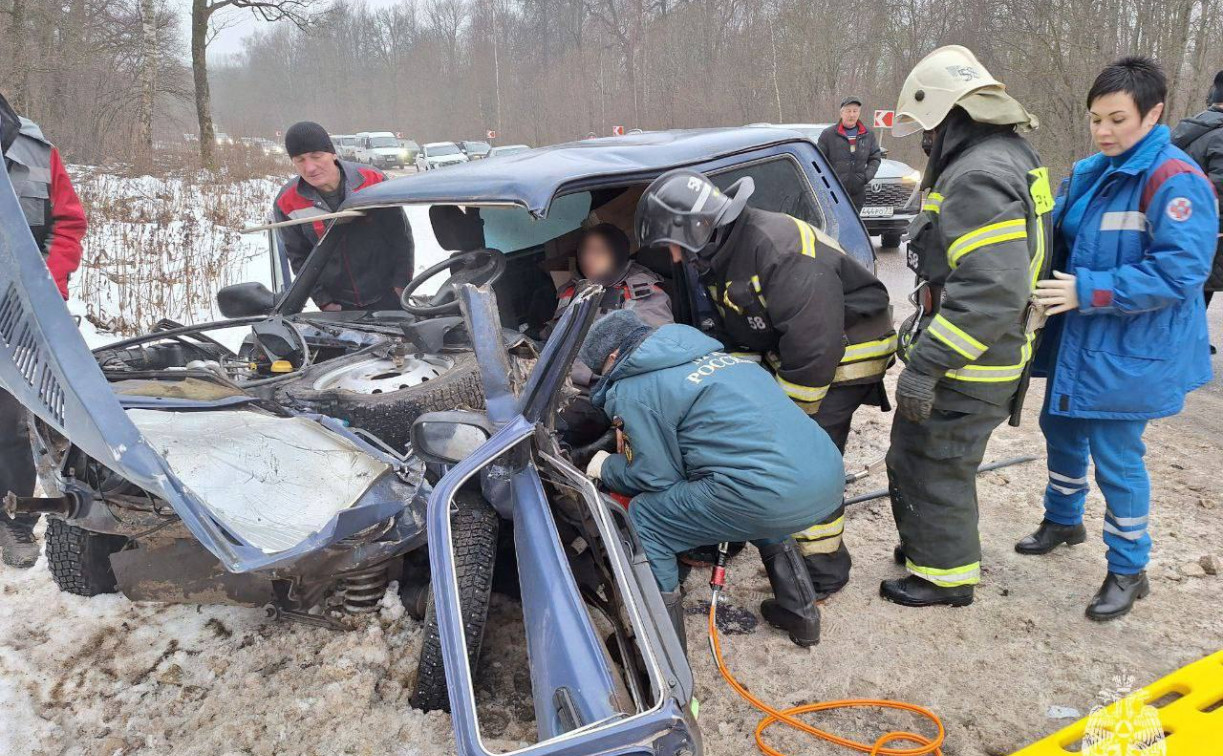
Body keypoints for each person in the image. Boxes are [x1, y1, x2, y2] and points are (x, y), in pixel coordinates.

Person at [635, 168, 895, 600]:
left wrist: (784, 423)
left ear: (698, 231)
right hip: (796, 353)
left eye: (675, 247)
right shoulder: (727, 250)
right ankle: (754, 526)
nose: (675, 260)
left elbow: (814, 348)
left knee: (803, 460)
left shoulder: (779, 248)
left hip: (845, 355)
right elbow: (742, 333)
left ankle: (823, 572)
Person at [1020, 57, 1217, 621]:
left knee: (1117, 457)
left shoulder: (1175, 179)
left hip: (1130, 347)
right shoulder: (1091, 169)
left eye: (1116, 119)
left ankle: (1130, 568)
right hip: (1078, 338)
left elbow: (1181, 273)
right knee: (1058, 424)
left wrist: (1090, 291)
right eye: (1095, 119)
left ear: (1152, 114)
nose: (1103, 131)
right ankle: (1063, 518)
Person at [883, 45, 1049, 607]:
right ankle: (930, 546)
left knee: (932, 461)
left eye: (929, 129)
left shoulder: (978, 176)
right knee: (930, 456)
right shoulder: (1010, 155)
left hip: (972, 364)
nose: (927, 142)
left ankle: (943, 577)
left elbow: (994, 289)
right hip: (991, 354)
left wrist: (927, 365)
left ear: (952, 116)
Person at [578, 310, 844, 648]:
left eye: (600, 370)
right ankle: (801, 614)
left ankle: (662, 650)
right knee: (756, 488)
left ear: (614, 357)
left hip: (769, 496)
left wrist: (603, 466)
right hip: (824, 476)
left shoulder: (635, 388)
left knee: (647, 516)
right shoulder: (720, 359)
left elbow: (654, 477)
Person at [0, 92, 87, 568]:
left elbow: (68, 224)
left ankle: (13, 523)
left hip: (20, 313)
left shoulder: (36, 150)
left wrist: (45, 285)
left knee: (10, 425)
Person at [272, 121, 413, 311]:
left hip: (389, 298)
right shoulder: (287, 202)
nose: (310, 168)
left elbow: (401, 237)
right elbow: (300, 259)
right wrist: (324, 302)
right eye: (300, 160)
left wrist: (401, 285)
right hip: (339, 309)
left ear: (332, 153)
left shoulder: (372, 181)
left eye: (316, 156)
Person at [549, 223, 673, 387]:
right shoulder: (570, 290)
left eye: (599, 252)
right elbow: (554, 337)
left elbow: (657, 350)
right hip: (560, 379)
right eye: (584, 251)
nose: (589, 258)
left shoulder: (643, 292)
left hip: (610, 384)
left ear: (618, 254)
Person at [1172, 69, 1223, 354]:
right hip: (1209, 225)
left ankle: (1188, 339)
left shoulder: (1189, 128)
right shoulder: (1220, 135)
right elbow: (1221, 185)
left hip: (1181, 218)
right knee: (1201, 282)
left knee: (1191, 281)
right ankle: (1187, 343)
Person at [817, 96, 883, 210]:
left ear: (859, 113)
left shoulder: (868, 134)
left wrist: (866, 176)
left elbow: (875, 157)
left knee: (854, 225)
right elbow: (818, 161)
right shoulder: (828, 134)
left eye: (855, 111)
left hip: (858, 193)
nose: (852, 115)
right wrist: (827, 181)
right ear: (841, 113)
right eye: (848, 111)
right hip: (834, 191)